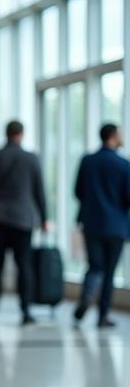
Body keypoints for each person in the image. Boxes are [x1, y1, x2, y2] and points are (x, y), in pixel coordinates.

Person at [0, 120, 48, 325]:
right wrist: (44, 219)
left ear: (6, 133)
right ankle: (26, 311)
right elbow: (39, 191)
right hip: (23, 220)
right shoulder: (32, 158)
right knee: (24, 266)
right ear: (21, 134)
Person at [74, 123, 130, 328]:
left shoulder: (87, 161)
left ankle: (86, 298)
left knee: (94, 266)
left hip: (92, 223)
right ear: (114, 136)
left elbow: (78, 191)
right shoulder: (124, 164)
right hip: (116, 226)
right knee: (109, 272)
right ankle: (103, 315)